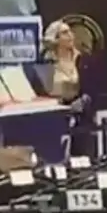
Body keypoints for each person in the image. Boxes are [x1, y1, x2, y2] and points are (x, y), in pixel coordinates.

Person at [38, 20, 97, 154]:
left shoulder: (84, 60)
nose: (71, 35)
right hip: (54, 117)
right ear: (56, 39)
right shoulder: (46, 63)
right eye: (65, 33)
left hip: (80, 116)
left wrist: (84, 100)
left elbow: (94, 88)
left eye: (70, 31)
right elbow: (41, 91)